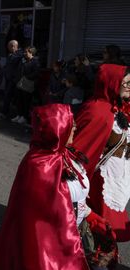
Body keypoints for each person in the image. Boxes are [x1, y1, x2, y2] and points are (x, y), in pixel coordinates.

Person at [0, 104, 90, 270]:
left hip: (72, 236)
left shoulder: (66, 155)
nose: (75, 127)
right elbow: (38, 223)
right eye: (70, 123)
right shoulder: (39, 166)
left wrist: (90, 216)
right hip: (52, 245)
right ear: (56, 129)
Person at [73, 65, 130, 246]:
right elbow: (80, 151)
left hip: (118, 175)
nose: (129, 87)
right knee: (102, 226)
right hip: (101, 179)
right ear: (112, 84)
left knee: (108, 228)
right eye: (126, 83)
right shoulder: (98, 111)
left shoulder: (118, 107)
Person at [11, 46, 39, 125]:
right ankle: (19, 115)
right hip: (20, 82)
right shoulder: (23, 60)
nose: (24, 53)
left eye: (26, 52)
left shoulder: (35, 62)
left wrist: (27, 77)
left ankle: (24, 117)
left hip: (28, 83)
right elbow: (19, 69)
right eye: (25, 52)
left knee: (26, 100)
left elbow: (36, 73)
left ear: (31, 53)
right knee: (19, 99)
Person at [0, 40, 23, 119]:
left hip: (14, 79)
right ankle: (6, 112)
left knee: (12, 96)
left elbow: (14, 62)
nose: (8, 49)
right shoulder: (12, 54)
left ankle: (11, 113)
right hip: (9, 78)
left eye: (9, 47)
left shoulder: (19, 54)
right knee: (8, 96)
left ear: (13, 46)